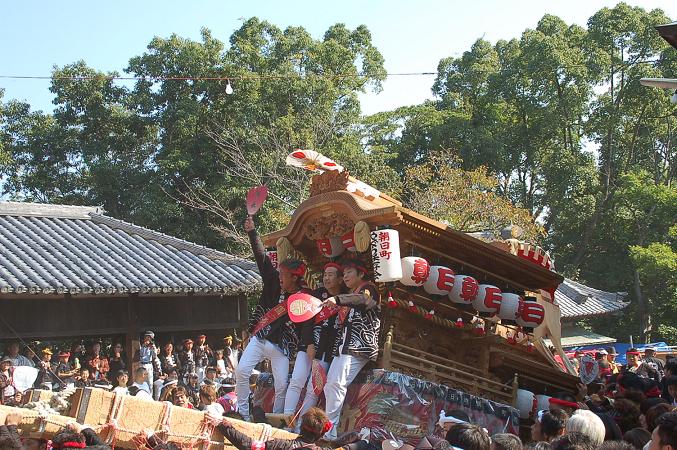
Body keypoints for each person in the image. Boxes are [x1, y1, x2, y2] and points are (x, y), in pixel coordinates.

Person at [235, 215, 311, 421]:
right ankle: (242, 412)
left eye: (283, 275)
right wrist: (252, 232)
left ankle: (278, 418)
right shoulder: (272, 282)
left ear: (294, 277)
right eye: (279, 274)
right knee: (241, 371)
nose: (279, 277)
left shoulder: (303, 298)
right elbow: (262, 258)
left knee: (282, 385)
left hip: (283, 347)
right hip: (261, 338)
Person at [321, 258, 380, 440]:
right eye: (344, 273)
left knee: (337, 384)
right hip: (344, 348)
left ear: (361, 274)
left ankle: (329, 432)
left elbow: (364, 299)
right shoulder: (351, 296)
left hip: (359, 347)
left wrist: (337, 299)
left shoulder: (369, 289)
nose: (345, 276)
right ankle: (328, 429)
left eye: (349, 272)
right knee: (330, 385)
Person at [284, 262, 345, 420]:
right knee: (297, 380)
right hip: (308, 346)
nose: (326, 278)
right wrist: (309, 343)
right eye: (325, 274)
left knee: (314, 389)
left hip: (328, 352)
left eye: (331, 275)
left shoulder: (345, 298)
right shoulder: (317, 295)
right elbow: (307, 321)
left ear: (340, 279)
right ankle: (286, 419)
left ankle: (302, 425)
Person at [215, 406, 370, 450]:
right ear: (321, 434)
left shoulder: (282, 445)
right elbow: (348, 446)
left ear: (301, 427)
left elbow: (248, 445)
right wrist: (363, 440)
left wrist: (221, 424)